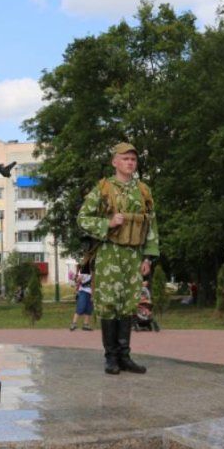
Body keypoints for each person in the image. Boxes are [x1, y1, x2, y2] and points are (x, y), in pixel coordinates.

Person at [77, 142, 159, 375]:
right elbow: (82, 218)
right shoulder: (103, 189)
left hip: (134, 254)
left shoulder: (143, 190)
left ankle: (125, 356)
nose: (130, 162)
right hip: (109, 252)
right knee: (109, 303)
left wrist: (149, 257)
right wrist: (107, 223)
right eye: (125, 159)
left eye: (133, 159)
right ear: (115, 162)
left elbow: (151, 224)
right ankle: (111, 357)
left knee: (129, 304)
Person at [69, 264, 94, 331]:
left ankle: (86, 324)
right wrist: (76, 276)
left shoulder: (93, 274)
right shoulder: (84, 273)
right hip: (83, 291)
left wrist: (93, 295)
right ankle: (74, 323)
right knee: (81, 307)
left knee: (88, 309)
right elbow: (78, 280)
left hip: (91, 293)